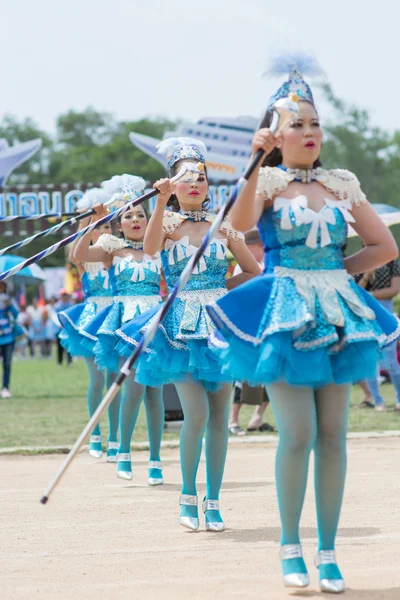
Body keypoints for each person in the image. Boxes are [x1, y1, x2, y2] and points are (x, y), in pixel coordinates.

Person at [205, 58, 400, 592]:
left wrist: (342, 273)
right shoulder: (266, 180)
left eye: (315, 123)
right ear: (276, 133)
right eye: (298, 124)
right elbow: (240, 226)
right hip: (284, 309)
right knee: (298, 432)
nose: (310, 132)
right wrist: (253, 160)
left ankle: (329, 551)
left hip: (336, 313)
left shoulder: (342, 184)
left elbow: (384, 247)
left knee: (335, 436)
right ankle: (290, 546)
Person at [115, 138, 260, 531]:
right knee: (195, 415)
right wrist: (159, 203)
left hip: (218, 325)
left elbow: (253, 271)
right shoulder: (168, 224)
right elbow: (148, 249)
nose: (195, 183)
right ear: (172, 185)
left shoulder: (224, 226)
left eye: (201, 177)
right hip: (179, 329)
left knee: (217, 418)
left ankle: (213, 500)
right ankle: (187, 496)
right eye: (185, 178)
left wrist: (222, 288)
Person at [74, 176, 165, 483]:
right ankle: (123, 451)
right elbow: (79, 256)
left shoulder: (160, 247)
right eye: (128, 215)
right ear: (119, 223)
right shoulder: (112, 248)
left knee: (155, 393)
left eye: (141, 214)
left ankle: (155, 459)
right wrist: (91, 223)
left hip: (156, 322)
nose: (135, 219)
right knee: (134, 390)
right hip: (127, 325)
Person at [58, 187, 122, 461]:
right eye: (101, 226)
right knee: (97, 380)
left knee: (115, 381)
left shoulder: (119, 254)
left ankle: (115, 438)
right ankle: (94, 434)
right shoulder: (86, 259)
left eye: (109, 224)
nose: (105, 229)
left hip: (117, 319)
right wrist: (89, 221)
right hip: (93, 320)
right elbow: (74, 255)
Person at [230, 229, 275, 435]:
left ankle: (257, 417)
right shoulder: (245, 266)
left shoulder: (267, 263)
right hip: (248, 325)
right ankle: (233, 420)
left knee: (270, 371)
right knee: (242, 373)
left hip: (267, 324)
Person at [355, 259, 400, 411]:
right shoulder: (358, 261)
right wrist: (367, 274)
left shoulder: (392, 263)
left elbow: (393, 290)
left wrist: (369, 295)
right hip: (366, 315)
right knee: (369, 360)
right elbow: (355, 290)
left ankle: (399, 398)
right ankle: (377, 400)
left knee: (391, 360)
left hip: (385, 311)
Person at [0, 282, 20, 398]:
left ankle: (5, 388)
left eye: (2, 285)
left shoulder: (9, 299)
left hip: (7, 337)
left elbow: (16, 315)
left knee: (7, 364)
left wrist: (10, 306)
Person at [53, 290, 73, 366]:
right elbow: (54, 316)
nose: (64, 296)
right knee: (60, 346)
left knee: (69, 346)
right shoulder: (57, 306)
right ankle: (60, 362)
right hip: (59, 330)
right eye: (63, 295)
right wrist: (59, 324)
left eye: (65, 295)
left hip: (68, 330)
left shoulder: (70, 305)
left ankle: (69, 361)